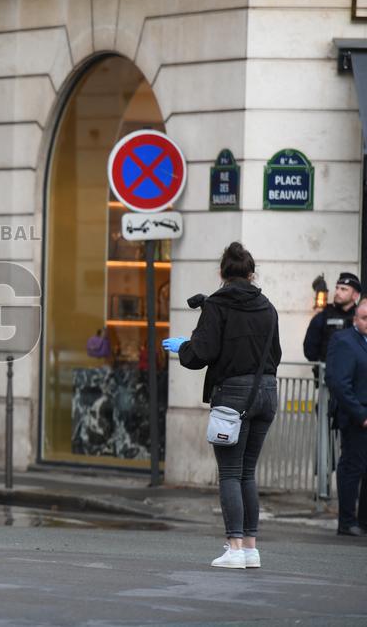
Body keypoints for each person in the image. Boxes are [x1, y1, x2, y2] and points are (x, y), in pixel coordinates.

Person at [162, 242, 281, 570]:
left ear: (221, 273)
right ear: (251, 273)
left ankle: (234, 547)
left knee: (229, 472)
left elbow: (202, 353)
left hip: (233, 393)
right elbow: (277, 354)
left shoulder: (216, 305)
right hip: (267, 391)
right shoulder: (268, 307)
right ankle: (252, 548)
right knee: (247, 472)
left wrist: (183, 347)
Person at [325, 298, 367, 537]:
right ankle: (347, 521)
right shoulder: (343, 341)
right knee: (352, 467)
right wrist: (361, 415)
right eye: (364, 318)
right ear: (355, 319)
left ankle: (364, 520)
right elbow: (339, 383)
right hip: (354, 415)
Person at [303, 273, 360, 367]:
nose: (337, 292)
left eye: (343, 289)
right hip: (327, 376)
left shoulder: (361, 317)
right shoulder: (323, 316)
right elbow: (310, 351)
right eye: (337, 288)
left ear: (355, 295)